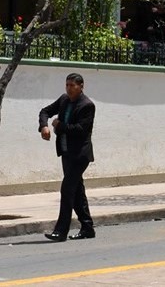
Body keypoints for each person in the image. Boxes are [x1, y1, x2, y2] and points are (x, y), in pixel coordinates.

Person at [38, 72, 96, 241]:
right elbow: (45, 111)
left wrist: (58, 125)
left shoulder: (87, 105)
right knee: (77, 191)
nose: (69, 89)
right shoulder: (64, 100)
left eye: (73, 85)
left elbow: (80, 130)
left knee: (67, 189)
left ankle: (61, 231)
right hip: (66, 153)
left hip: (80, 155)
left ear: (81, 87)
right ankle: (87, 227)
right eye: (67, 85)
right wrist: (44, 126)